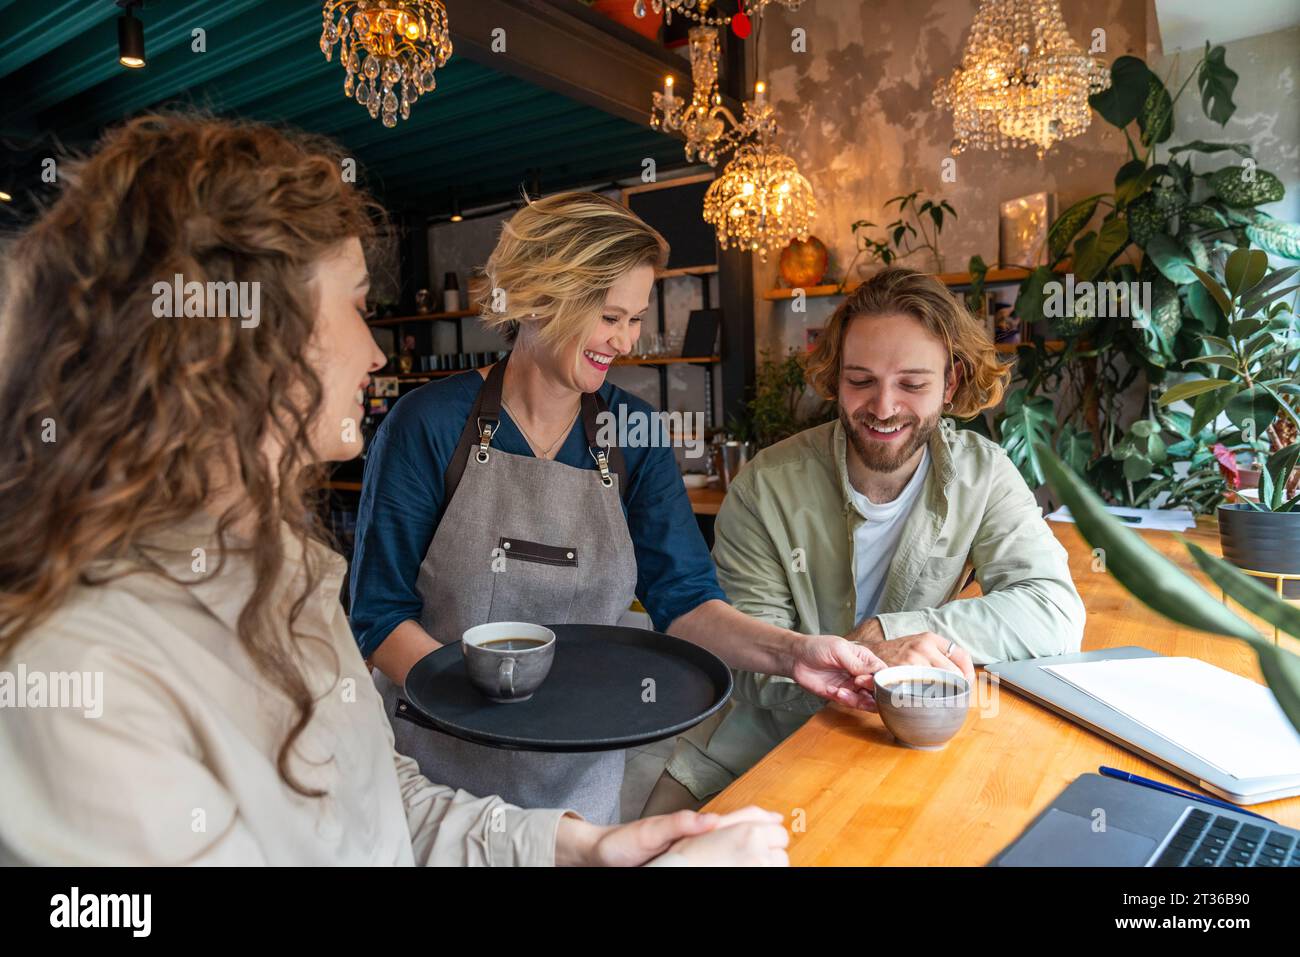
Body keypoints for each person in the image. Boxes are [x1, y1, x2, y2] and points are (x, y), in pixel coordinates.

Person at [0, 112, 788, 866]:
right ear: (241, 344)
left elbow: (378, 808)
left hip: (560, 797)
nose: (377, 352)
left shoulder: (291, 583)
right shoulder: (81, 680)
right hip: (456, 753)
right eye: (354, 304)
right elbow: (384, 635)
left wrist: (579, 846)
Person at [349, 190, 883, 825]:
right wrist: (492, 700)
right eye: (609, 316)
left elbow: (685, 604)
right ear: (543, 295)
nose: (626, 341)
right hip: (436, 782)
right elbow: (378, 616)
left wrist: (797, 653)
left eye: (634, 318)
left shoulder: (635, 432)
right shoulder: (428, 423)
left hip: (580, 786)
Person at [647, 267, 1086, 813]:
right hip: (756, 751)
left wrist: (891, 633)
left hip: (905, 750)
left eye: (912, 384)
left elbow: (1054, 613)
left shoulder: (986, 476)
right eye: (860, 381)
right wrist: (874, 663)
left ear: (949, 384)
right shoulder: (764, 485)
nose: (882, 407)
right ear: (835, 379)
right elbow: (749, 670)